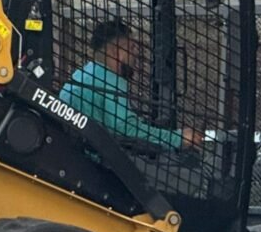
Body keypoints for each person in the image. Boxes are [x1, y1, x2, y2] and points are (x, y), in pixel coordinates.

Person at [60, 19, 203, 150]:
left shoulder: (83, 74)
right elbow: (127, 129)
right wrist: (177, 138)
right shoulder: (110, 80)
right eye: (132, 47)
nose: (136, 54)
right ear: (116, 52)